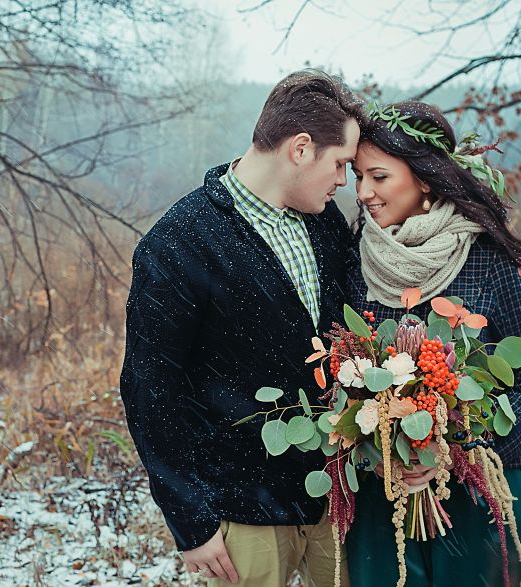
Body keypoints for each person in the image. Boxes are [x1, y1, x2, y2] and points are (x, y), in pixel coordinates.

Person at [120, 70, 364, 586]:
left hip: (337, 494)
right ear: (300, 149)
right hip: (240, 515)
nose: (346, 181)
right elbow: (150, 390)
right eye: (340, 163)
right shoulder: (179, 243)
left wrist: (496, 259)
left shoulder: (324, 222)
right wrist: (190, 521)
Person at [344, 101, 521, 586]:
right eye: (358, 176)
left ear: (424, 178)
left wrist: (457, 448)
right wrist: (385, 447)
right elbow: (341, 378)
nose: (363, 192)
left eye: (378, 177)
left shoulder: (485, 259)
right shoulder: (355, 264)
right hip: (386, 506)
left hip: (483, 494)